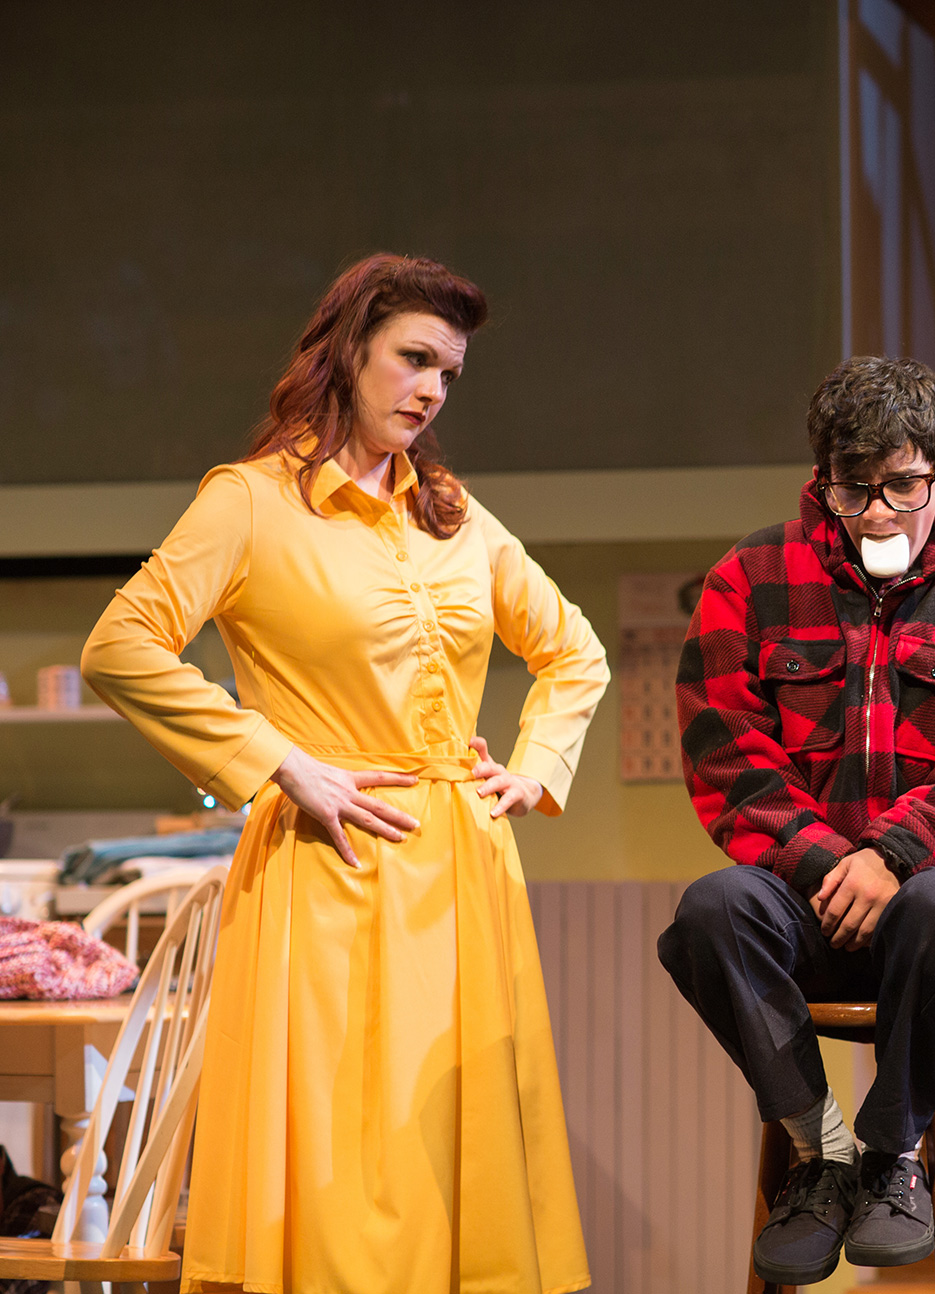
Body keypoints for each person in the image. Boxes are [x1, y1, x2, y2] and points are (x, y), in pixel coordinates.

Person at [81, 254, 608, 1294]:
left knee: (455, 1164)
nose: (431, 389)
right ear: (350, 349)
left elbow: (573, 650)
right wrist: (279, 762)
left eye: (448, 373)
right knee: (344, 1173)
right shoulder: (250, 502)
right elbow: (120, 648)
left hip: (462, 875)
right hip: (331, 867)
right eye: (414, 359)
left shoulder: (450, 512)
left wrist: (534, 767)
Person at [657, 356, 935, 1285]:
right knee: (712, 911)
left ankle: (893, 1153)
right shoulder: (748, 577)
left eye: (900, 486)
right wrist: (833, 869)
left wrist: (894, 857)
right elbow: (725, 758)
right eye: (852, 489)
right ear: (822, 478)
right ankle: (822, 1154)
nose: (877, 514)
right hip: (810, 903)